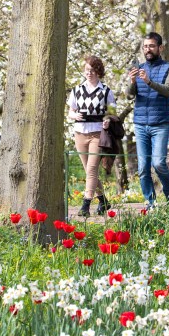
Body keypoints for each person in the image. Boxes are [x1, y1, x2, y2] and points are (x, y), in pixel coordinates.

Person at [126, 32, 169, 208]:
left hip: (160, 124)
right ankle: (151, 204)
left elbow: (168, 90)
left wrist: (148, 82)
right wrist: (132, 81)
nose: (148, 49)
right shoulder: (139, 68)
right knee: (142, 168)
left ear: (160, 48)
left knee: (158, 163)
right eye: (146, 46)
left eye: (152, 46)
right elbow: (129, 96)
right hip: (141, 124)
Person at [68, 55, 117, 216]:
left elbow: (112, 113)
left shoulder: (106, 91)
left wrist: (108, 120)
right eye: (87, 70)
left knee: (92, 168)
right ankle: (103, 201)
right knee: (90, 171)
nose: (89, 73)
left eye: (92, 70)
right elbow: (70, 111)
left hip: (98, 133)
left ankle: (85, 205)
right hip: (80, 133)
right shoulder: (77, 90)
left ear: (98, 71)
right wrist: (74, 116)